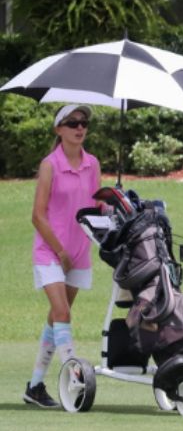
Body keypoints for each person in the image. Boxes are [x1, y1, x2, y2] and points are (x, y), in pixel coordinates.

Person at [23, 104, 101, 408]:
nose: (79, 128)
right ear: (59, 130)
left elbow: (96, 206)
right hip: (50, 252)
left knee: (57, 315)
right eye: (72, 123)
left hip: (80, 253)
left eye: (83, 123)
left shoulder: (92, 163)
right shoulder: (50, 165)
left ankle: (34, 386)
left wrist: (111, 200)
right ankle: (75, 379)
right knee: (63, 313)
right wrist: (60, 251)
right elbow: (37, 216)